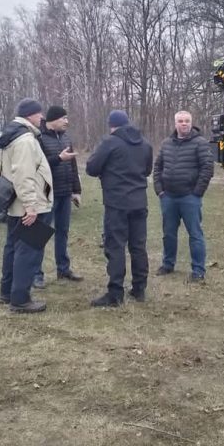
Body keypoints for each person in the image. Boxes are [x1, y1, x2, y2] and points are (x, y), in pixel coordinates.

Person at [86, 110, 153, 307]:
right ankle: (139, 289)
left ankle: (115, 293)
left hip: (117, 204)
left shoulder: (110, 143)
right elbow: (147, 170)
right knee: (138, 247)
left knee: (115, 247)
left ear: (112, 125)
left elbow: (91, 167)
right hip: (139, 202)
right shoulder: (145, 143)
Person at [0, 98, 54, 313]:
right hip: (30, 207)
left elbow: (2, 167)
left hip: (15, 205)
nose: (42, 118)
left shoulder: (11, 137)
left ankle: (7, 291)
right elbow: (23, 175)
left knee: (12, 248)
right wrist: (31, 206)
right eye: (40, 114)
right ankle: (20, 299)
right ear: (30, 115)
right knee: (29, 251)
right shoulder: (25, 140)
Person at [153, 110, 214, 281]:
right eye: (180, 121)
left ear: (191, 122)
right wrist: (160, 191)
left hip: (189, 198)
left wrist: (197, 193)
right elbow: (157, 168)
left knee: (195, 234)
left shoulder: (200, 143)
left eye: (187, 121)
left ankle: (198, 270)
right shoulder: (166, 143)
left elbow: (207, 168)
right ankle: (168, 264)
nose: (184, 124)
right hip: (168, 197)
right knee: (168, 233)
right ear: (175, 123)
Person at [33, 105, 83, 287]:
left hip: (64, 193)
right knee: (40, 233)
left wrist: (76, 191)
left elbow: (73, 166)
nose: (67, 122)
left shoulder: (66, 137)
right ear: (54, 120)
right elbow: (37, 165)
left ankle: (63, 269)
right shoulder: (39, 138)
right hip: (46, 194)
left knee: (63, 232)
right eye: (64, 118)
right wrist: (58, 159)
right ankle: (35, 274)